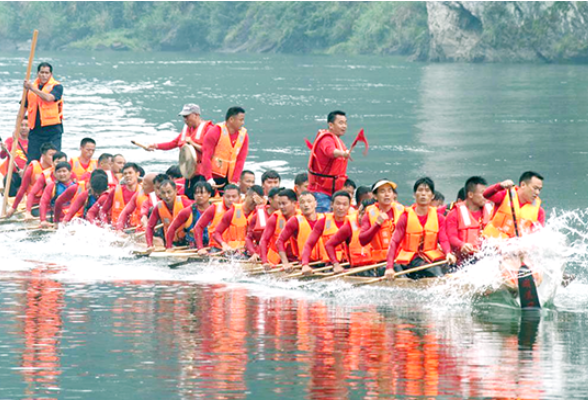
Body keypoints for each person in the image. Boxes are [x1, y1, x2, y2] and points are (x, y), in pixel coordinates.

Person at [385, 177, 457, 280]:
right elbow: (394, 243)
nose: (423, 194)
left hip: (430, 257)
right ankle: (442, 281)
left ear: (432, 196)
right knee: (435, 271)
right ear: (415, 194)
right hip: (411, 259)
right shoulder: (405, 216)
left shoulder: (439, 217)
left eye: (427, 191)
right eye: (420, 190)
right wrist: (389, 267)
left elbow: (443, 239)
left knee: (452, 267)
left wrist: (448, 253)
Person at [146, 104, 214, 199]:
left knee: (200, 198)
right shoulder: (186, 129)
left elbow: (211, 152)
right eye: (183, 117)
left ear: (196, 115)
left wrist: (193, 143)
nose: (185, 119)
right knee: (188, 197)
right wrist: (156, 146)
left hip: (203, 173)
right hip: (189, 173)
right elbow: (173, 143)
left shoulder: (209, 130)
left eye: (187, 116)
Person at [307, 110, 350, 212]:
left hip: (332, 191)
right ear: (331, 125)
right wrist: (342, 153)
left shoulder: (336, 139)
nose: (344, 126)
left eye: (345, 123)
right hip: (321, 193)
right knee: (323, 221)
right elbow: (330, 151)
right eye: (340, 123)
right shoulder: (326, 140)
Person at [300, 191, 352, 275]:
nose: (341, 207)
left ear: (349, 206)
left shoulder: (353, 221)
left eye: (344, 204)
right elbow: (309, 244)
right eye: (338, 204)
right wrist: (305, 264)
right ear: (331, 204)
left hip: (351, 264)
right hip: (331, 266)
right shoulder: (323, 222)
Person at [483, 171, 545, 239]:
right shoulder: (504, 195)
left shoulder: (539, 212)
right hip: (490, 245)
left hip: (515, 248)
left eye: (539, 189)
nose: (537, 192)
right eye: (535, 188)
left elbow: (536, 237)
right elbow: (486, 194)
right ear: (523, 185)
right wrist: (500, 186)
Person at [446, 177, 493, 264]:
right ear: (470, 194)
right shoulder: (454, 214)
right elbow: (451, 237)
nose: (486, 196)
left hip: (487, 255)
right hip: (465, 260)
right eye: (483, 193)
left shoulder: (490, 210)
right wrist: (462, 245)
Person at [4, 142, 57, 218]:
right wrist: (13, 208)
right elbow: (23, 189)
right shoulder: (32, 168)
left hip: (50, 204)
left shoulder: (56, 170)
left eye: (55, 155)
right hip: (35, 204)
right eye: (51, 155)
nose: (54, 158)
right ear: (43, 155)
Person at [201, 107, 249, 190]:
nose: (243, 123)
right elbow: (206, 157)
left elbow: (240, 160)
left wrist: (234, 181)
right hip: (211, 176)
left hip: (228, 179)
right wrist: (209, 179)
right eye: (241, 120)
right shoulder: (215, 132)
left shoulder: (244, 136)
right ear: (231, 119)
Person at [24, 62, 64, 162]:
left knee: (54, 159)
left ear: (51, 74)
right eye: (42, 72)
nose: (44, 75)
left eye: (46, 73)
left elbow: (49, 98)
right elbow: (23, 108)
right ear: (38, 73)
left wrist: (33, 88)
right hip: (36, 130)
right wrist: (16, 129)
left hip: (52, 130)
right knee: (32, 161)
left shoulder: (57, 86)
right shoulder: (30, 88)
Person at [359, 180, 405, 264]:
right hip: (383, 261)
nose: (387, 194)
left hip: (402, 257)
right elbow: (362, 240)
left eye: (389, 191)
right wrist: (377, 224)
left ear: (393, 195)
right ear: (375, 196)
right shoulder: (369, 215)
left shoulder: (403, 211)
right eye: (382, 191)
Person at [325, 198, 376, 273]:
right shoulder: (349, 227)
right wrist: (336, 265)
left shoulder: (381, 224)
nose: (361, 217)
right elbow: (329, 245)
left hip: (378, 267)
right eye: (361, 213)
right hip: (358, 271)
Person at [275, 192, 322, 273]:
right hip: (305, 264)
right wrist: (285, 263)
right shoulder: (294, 221)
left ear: (315, 203)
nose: (306, 205)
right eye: (302, 202)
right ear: (299, 205)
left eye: (309, 201)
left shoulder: (324, 219)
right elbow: (280, 241)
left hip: (325, 262)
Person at [212, 185, 264, 254]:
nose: (254, 203)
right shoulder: (232, 212)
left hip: (251, 252)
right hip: (233, 252)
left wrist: (261, 206)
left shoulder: (261, 213)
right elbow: (216, 233)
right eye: (252, 199)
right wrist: (223, 244)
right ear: (245, 196)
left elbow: (264, 232)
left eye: (257, 201)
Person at [145, 180, 193, 250]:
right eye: (163, 193)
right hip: (171, 242)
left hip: (188, 241)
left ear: (176, 191)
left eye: (169, 192)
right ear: (160, 194)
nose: (166, 196)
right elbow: (149, 227)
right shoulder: (158, 207)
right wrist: (150, 245)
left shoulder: (185, 203)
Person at [193, 184, 241, 253]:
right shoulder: (214, 208)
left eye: (234, 197)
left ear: (239, 197)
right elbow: (198, 227)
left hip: (238, 250)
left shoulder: (244, 209)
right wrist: (200, 248)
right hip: (217, 249)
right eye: (228, 197)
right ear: (223, 197)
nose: (231, 199)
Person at [166, 181, 213, 250]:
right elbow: (171, 229)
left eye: (202, 193)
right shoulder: (187, 212)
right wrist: (169, 247)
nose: (199, 195)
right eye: (196, 193)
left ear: (209, 194)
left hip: (213, 247)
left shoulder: (217, 210)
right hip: (194, 248)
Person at [259, 189, 299, 267]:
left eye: (284, 204)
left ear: (294, 203)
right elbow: (264, 240)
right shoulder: (274, 218)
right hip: (277, 261)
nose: (281, 207)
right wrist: (264, 261)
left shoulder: (302, 217)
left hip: (296, 259)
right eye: (279, 204)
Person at [245, 186, 281, 261]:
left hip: (278, 254)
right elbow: (249, 238)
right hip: (261, 254)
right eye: (279, 198)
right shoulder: (258, 215)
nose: (281, 201)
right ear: (270, 200)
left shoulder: (287, 216)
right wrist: (253, 253)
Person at [38, 162, 76, 228]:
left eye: (64, 171)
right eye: (59, 172)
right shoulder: (51, 187)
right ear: (55, 174)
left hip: (73, 218)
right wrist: (43, 220)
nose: (62, 174)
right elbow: (43, 202)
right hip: (57, 219)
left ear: (70, 173)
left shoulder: (77, 186)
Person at [1, 117, 30, 196]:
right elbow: (2, 156)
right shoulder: (11, 140)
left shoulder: (34, 142)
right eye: (21, 125)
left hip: (28, 174)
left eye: (26, 125)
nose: (23, 128)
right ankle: (13, 199)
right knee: (7, 179)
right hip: (14, 174)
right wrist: (4, 149)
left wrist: (24, 171)